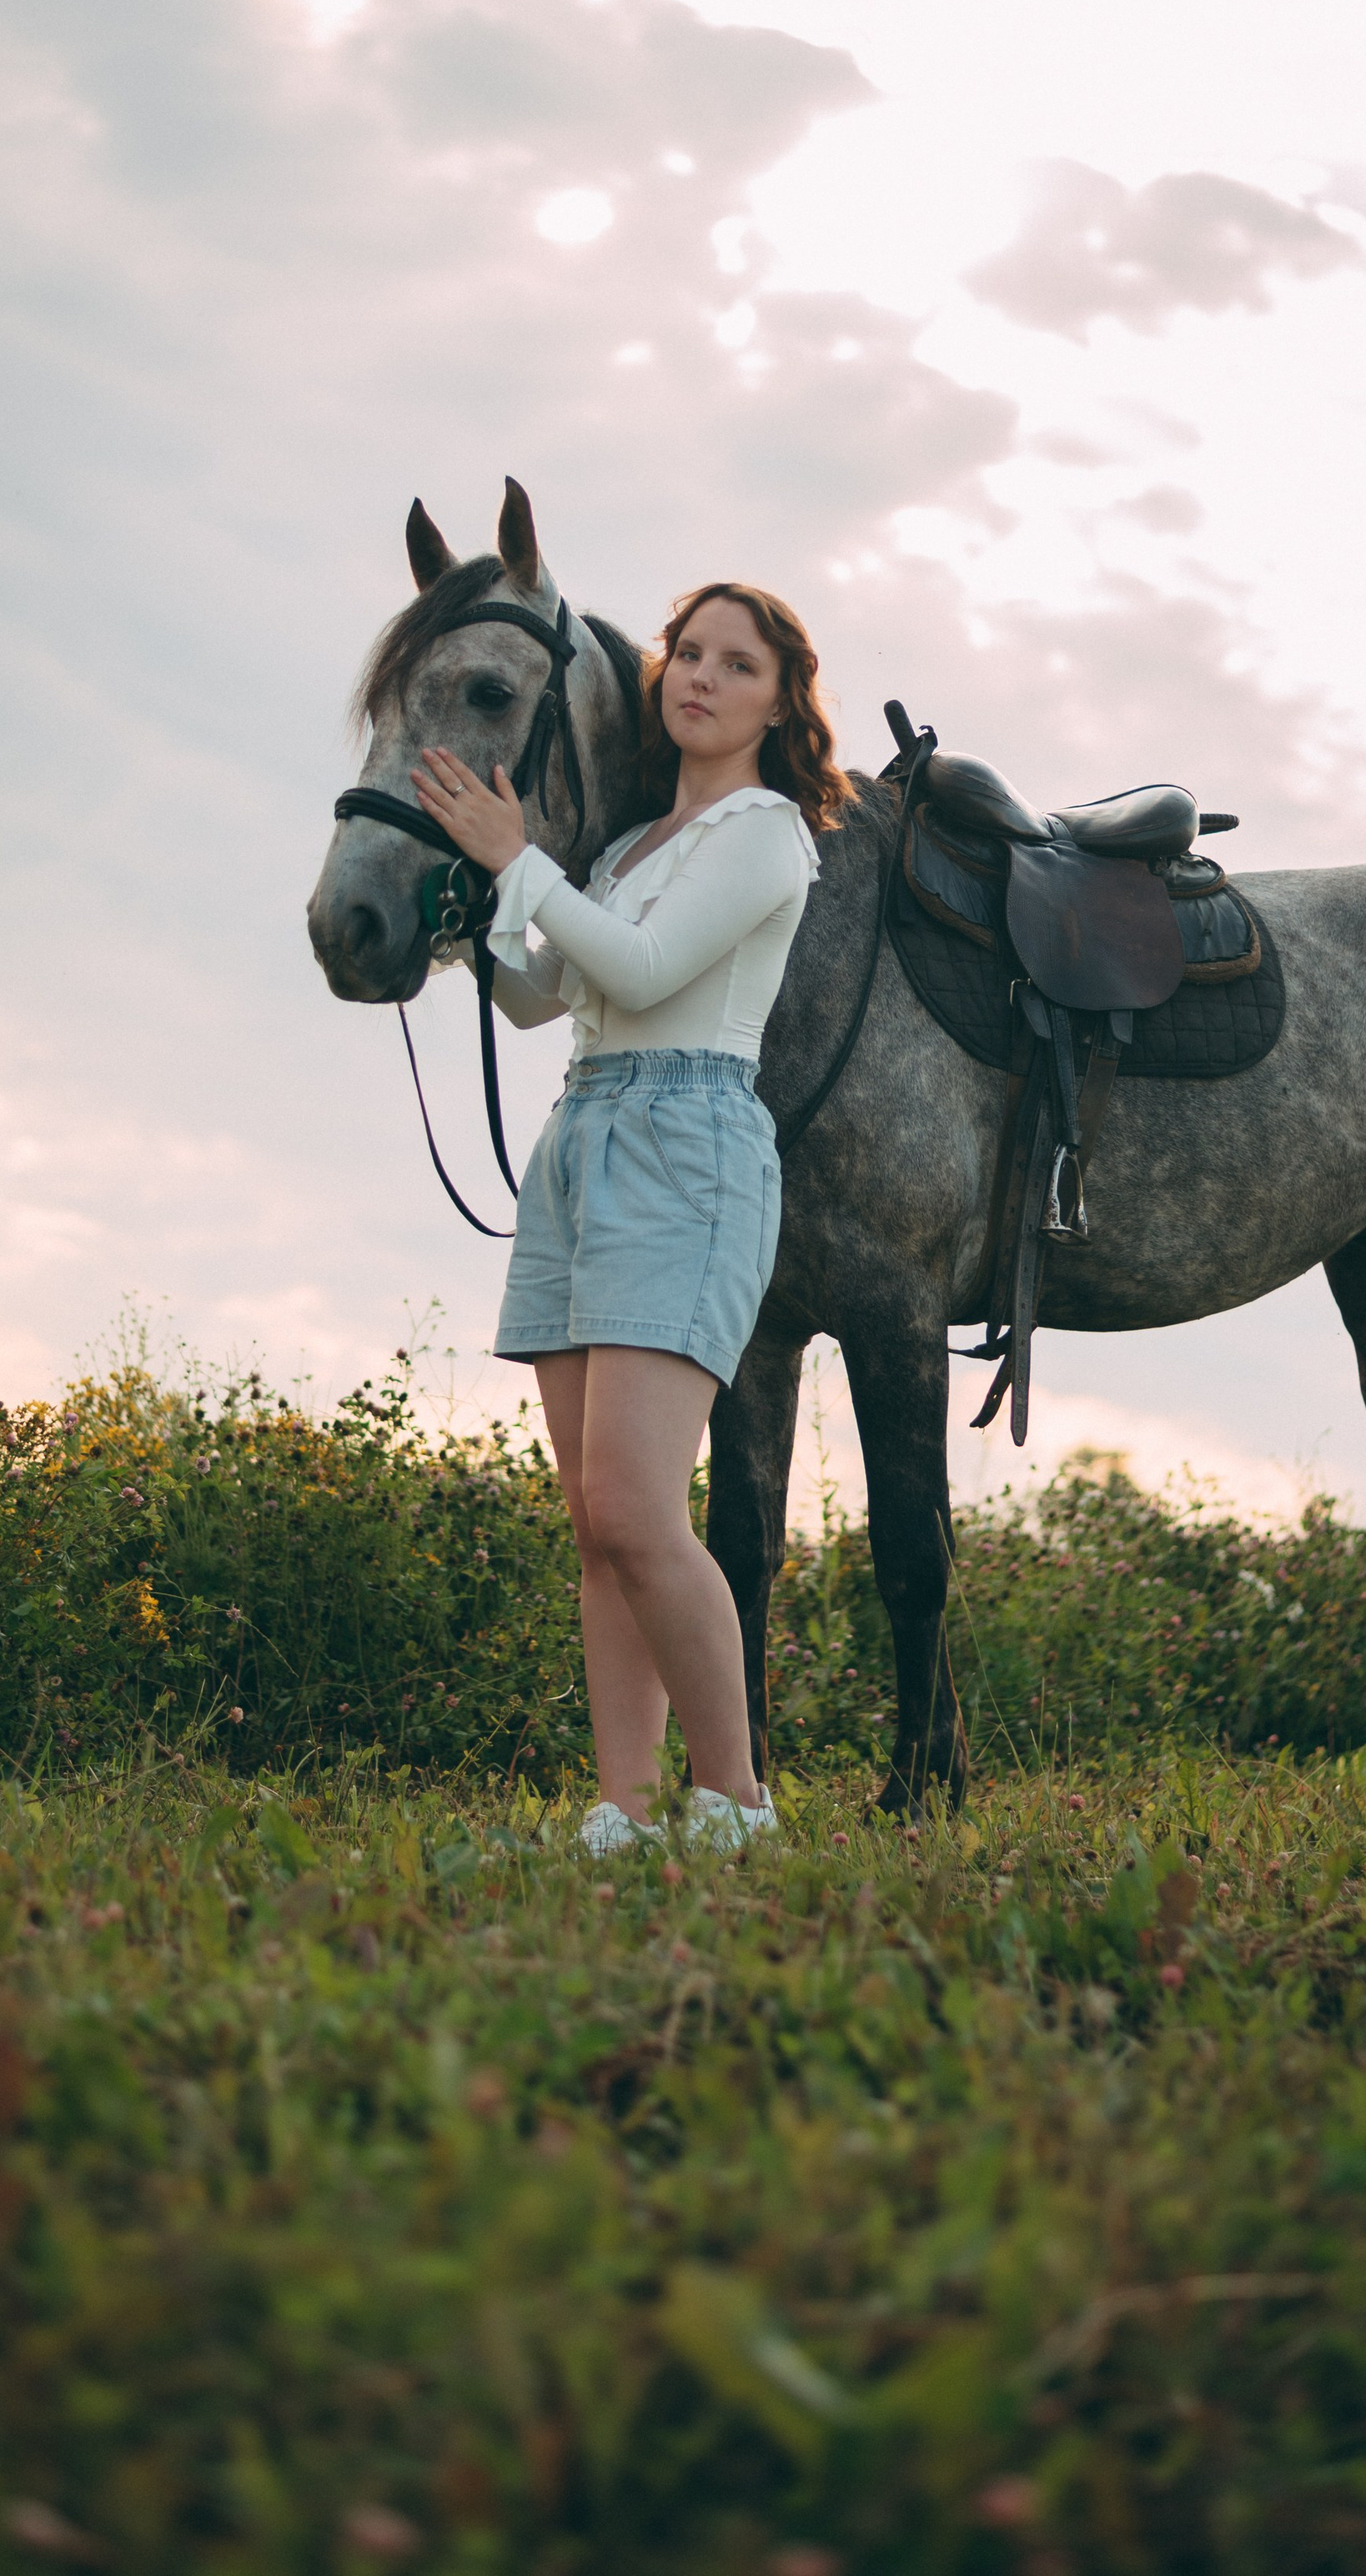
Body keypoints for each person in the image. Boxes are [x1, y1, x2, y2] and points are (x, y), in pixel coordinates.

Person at [409, 582, 851, 1854]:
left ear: (780, 701)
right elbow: (540, 1001)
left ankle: (737, 1804)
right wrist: (480, 905)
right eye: (686, 655)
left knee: (641, 1510)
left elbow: (649, 972)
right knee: (595, 1521)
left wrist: (520, 865)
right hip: (582, 1135)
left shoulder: (770, 832)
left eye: (736, 663)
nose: (698, 678)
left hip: (688, 1144)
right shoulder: (625, 852)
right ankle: (629, 1806)